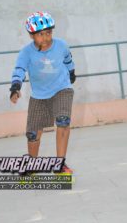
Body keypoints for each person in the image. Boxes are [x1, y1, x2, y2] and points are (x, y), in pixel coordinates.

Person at [9, 12, 76, 173]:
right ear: (31, 35)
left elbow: (68, 59)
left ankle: (60, 165)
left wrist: (72, 72)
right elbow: (19, 69)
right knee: (32, 134)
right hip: (39, 95)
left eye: (48, 33)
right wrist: (15, 87)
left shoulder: (61, 45)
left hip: (62, 88)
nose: (46, 38)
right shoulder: (26, 52)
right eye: (41, 34)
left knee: (63, 120)